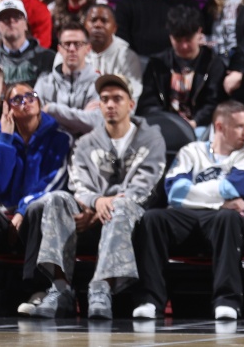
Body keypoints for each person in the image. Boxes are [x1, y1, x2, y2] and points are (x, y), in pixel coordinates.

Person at [31, 74, 165, 319]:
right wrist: (95, 203)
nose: (110, 104)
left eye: (117, 99)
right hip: (91, 212)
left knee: (122, 205)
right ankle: (60, 288)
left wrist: (101, 206)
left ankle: (101, 288)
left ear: (131, 104)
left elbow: (143, 188)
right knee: (57, 199)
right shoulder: (85, 143)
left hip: (132, 218)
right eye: (105, 99)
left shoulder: (152, 138)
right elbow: (78, 185)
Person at [134, 100, 244, 321]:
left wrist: (198, 193)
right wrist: (219, 200)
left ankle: (227, 301)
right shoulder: (191, 151)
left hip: (220, 219)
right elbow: (175, 192)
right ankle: (151, 300)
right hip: (191, 215)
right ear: (220, 127)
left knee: (228, 218)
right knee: (153, 218)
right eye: (240, 126)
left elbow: (235, 187)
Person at [0, 82, 72, 317]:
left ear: (39, 101)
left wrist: (23, 210)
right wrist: (5, 138)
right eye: (17, 99)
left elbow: (56, 183)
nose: (26, 102)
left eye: (31, 96)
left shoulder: (60, 138)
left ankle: (38, 291)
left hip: (34, 219)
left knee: (38, 207)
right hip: (6, 217)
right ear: (7, 108)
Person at [137, 5, 225, 136]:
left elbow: (214, 103)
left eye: (188, 40)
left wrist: (194, 122)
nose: (184, 46)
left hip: (200, 126)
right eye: (178, 40)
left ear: (199, 32)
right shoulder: (157, 64)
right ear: (170, 37)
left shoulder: (213, 64)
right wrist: (167, 122)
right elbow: (148, 103)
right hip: (163, 125)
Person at [35, 23, 100, 132]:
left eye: (77, 44)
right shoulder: (44, 83)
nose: (72, 49)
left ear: (88, 48)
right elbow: (34, 120)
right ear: (59, 49)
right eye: (67, 44)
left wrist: (52, 109)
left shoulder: (98, 83)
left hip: (88, 146)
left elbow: (95, 122)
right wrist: (83, 116)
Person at [0, 0, 56, 87]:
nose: (11, 21)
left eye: (16, 17)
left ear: (26, 24)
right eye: (5, 18)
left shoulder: (47, 58)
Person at [82, 4, 144, 102]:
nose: (98, 25)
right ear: (85, 25)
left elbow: (133, 96)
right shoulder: (71, 48)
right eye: (93, 20)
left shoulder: (127, 56)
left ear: (114, 28)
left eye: (104, 21)